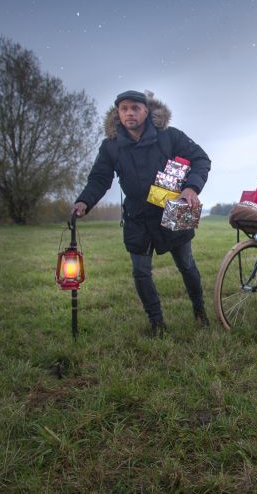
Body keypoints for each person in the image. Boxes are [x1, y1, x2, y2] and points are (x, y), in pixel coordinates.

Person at [72, 90, 211, 336]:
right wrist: (84, 201)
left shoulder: (169, 136)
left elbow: (201, 159)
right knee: (140, 271)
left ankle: (200, 311)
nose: (129, 113)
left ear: (146, 111)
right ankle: (157, 323)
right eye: (124, 108)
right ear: (118, 113)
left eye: (135, 107)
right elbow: (99, 178)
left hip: (173, 209)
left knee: (186, 265)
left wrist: (191, 188)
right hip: (136, 216)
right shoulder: (111, 146)